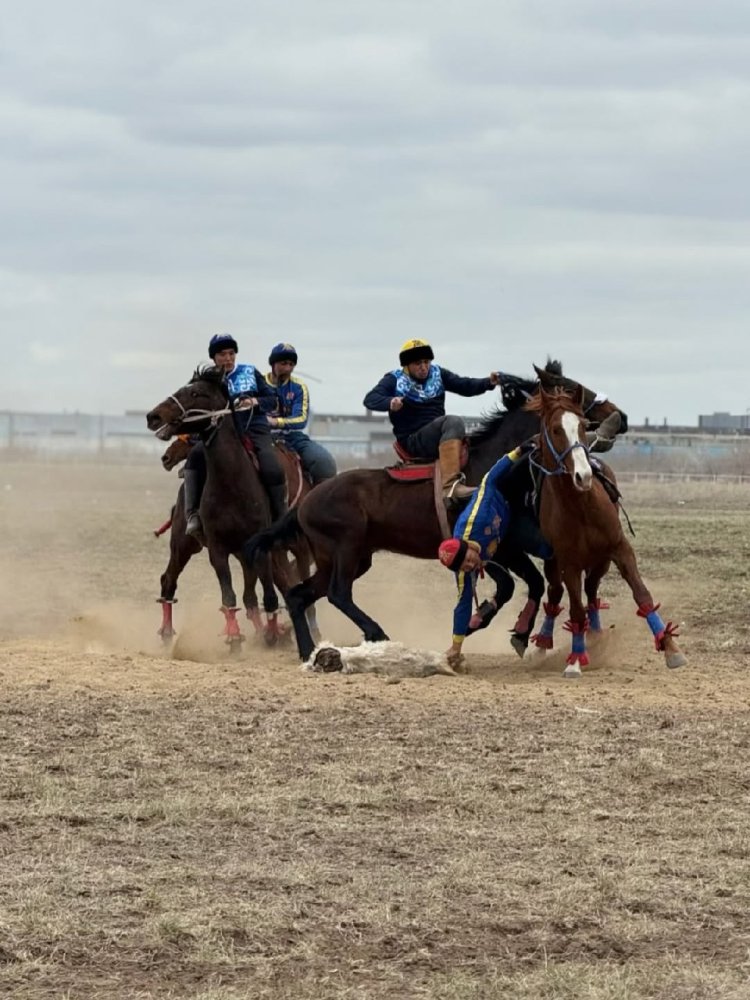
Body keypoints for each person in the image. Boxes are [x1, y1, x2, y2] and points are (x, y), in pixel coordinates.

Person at [437, 440, 550, 670]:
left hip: (505, 507)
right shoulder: (465, 567)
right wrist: (456, 646)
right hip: (494, 546)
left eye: (468, 560)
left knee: (549, 552)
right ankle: (479, 620)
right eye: (467, 567)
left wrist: (518, 450)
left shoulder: (481, 514)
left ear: (465, 545)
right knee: (506, 585)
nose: (471, 565)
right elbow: (462, 602)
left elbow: (490, 478)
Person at [363, 339, 500, 506]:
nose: (423, 367)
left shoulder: (438, 374)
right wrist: (390, 402)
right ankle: (450, 486)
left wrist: (488, 382)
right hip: (413, 439)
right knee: (454, 422)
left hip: (437, 434)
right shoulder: (394, 380)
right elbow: (370, 399)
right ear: (407, 365)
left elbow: (464, 385)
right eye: (418, 363)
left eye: (426, 362)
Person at [183, 333, 287, 537]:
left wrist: (255, 402)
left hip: (254, 429)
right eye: (222, 354)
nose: (228, 358)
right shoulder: (205, 381)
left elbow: (272, 399)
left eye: (231, 353)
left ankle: (280, 519)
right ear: (214, 357)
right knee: (195, 457)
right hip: (219, 433)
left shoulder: (249, 372)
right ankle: (192, 515)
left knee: (271, 466)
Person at [265, 342, 337, 485]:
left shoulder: (299, 387)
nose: (288, 368)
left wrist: (276, 422)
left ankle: (317, 502)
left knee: (325, 462)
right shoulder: (258, 382)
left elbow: (301, 419)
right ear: (273, 364)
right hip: (261, 435)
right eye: (283, 363)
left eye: (291, 364)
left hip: (292, 436)